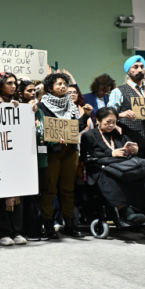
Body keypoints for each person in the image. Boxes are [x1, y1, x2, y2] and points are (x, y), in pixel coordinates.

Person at [81, 107, 145, 225]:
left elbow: (125, 152)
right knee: (112, 178)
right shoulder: (89, 136)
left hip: (120, 168)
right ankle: (124, 210)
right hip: (100, 169)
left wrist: (133, 150)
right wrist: (110, 154)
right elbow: (87, 158)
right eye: (108, 122)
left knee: (141, 177)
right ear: (98, 120)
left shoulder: (117, 134)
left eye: (114, 122)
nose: (111, 125)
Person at [38, 72, 92, 238]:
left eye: (64, 84)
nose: (62, 86)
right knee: (49, 189)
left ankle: (70, 224)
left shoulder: (72, 105)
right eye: (58, 84)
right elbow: (41, 130)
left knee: (68, 189)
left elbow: (76, 128)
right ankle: (48, 226)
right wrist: (54, 138)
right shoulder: (41, 106)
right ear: (49, 88)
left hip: (70, 151)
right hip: (53, 152)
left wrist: (86, 116)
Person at [0, 72, 28, 246]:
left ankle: (16, 230)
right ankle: (0, 231)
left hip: (15, 156)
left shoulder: (20, 105)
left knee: (17, 194)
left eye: (15, 83)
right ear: (0, 85)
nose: (13, 86)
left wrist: (29, 110)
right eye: (9, 83)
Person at [108, 56, 145, 162]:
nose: (140, 69)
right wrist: (122, 114)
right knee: (137, 175)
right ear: (128, 71)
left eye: (142, 67)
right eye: (135, 67)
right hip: (133, 142)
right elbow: (108, 115)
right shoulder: (119, 91)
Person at [18, 79, 48, 241]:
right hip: (25, 160)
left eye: (34, 91)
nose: (32, 93)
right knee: (26, 197)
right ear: (21, 93)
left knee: (37, 196)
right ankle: (26, 229)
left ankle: (36, 227)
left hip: (41, 159)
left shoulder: (40, 110)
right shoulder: (18, 108)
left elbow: (43, 131)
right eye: (29, 91)